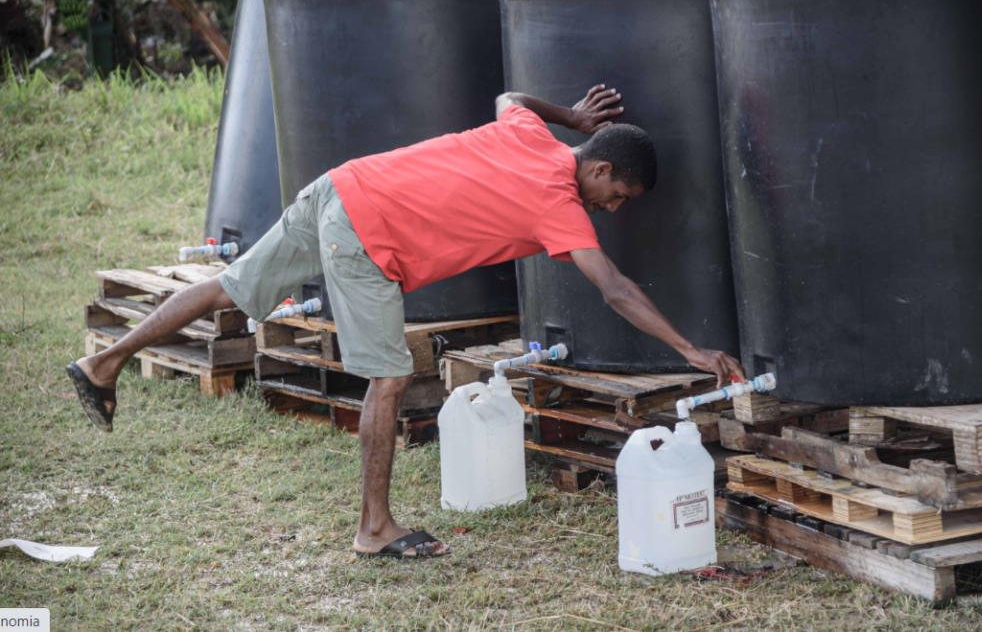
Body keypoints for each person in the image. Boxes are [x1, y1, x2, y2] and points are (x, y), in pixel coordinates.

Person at [66, 85, 746, 559]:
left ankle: (104, 363)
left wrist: (567, 111)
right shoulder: (560, 206)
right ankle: (375, 527)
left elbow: (510, 98)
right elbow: (616, 288)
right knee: (391, 376)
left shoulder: (532, 137)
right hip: (365, 236)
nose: (614, 209)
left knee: (229, 287)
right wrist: (689, 346)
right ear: (598, 170)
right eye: (618, 195)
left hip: (343, 185)